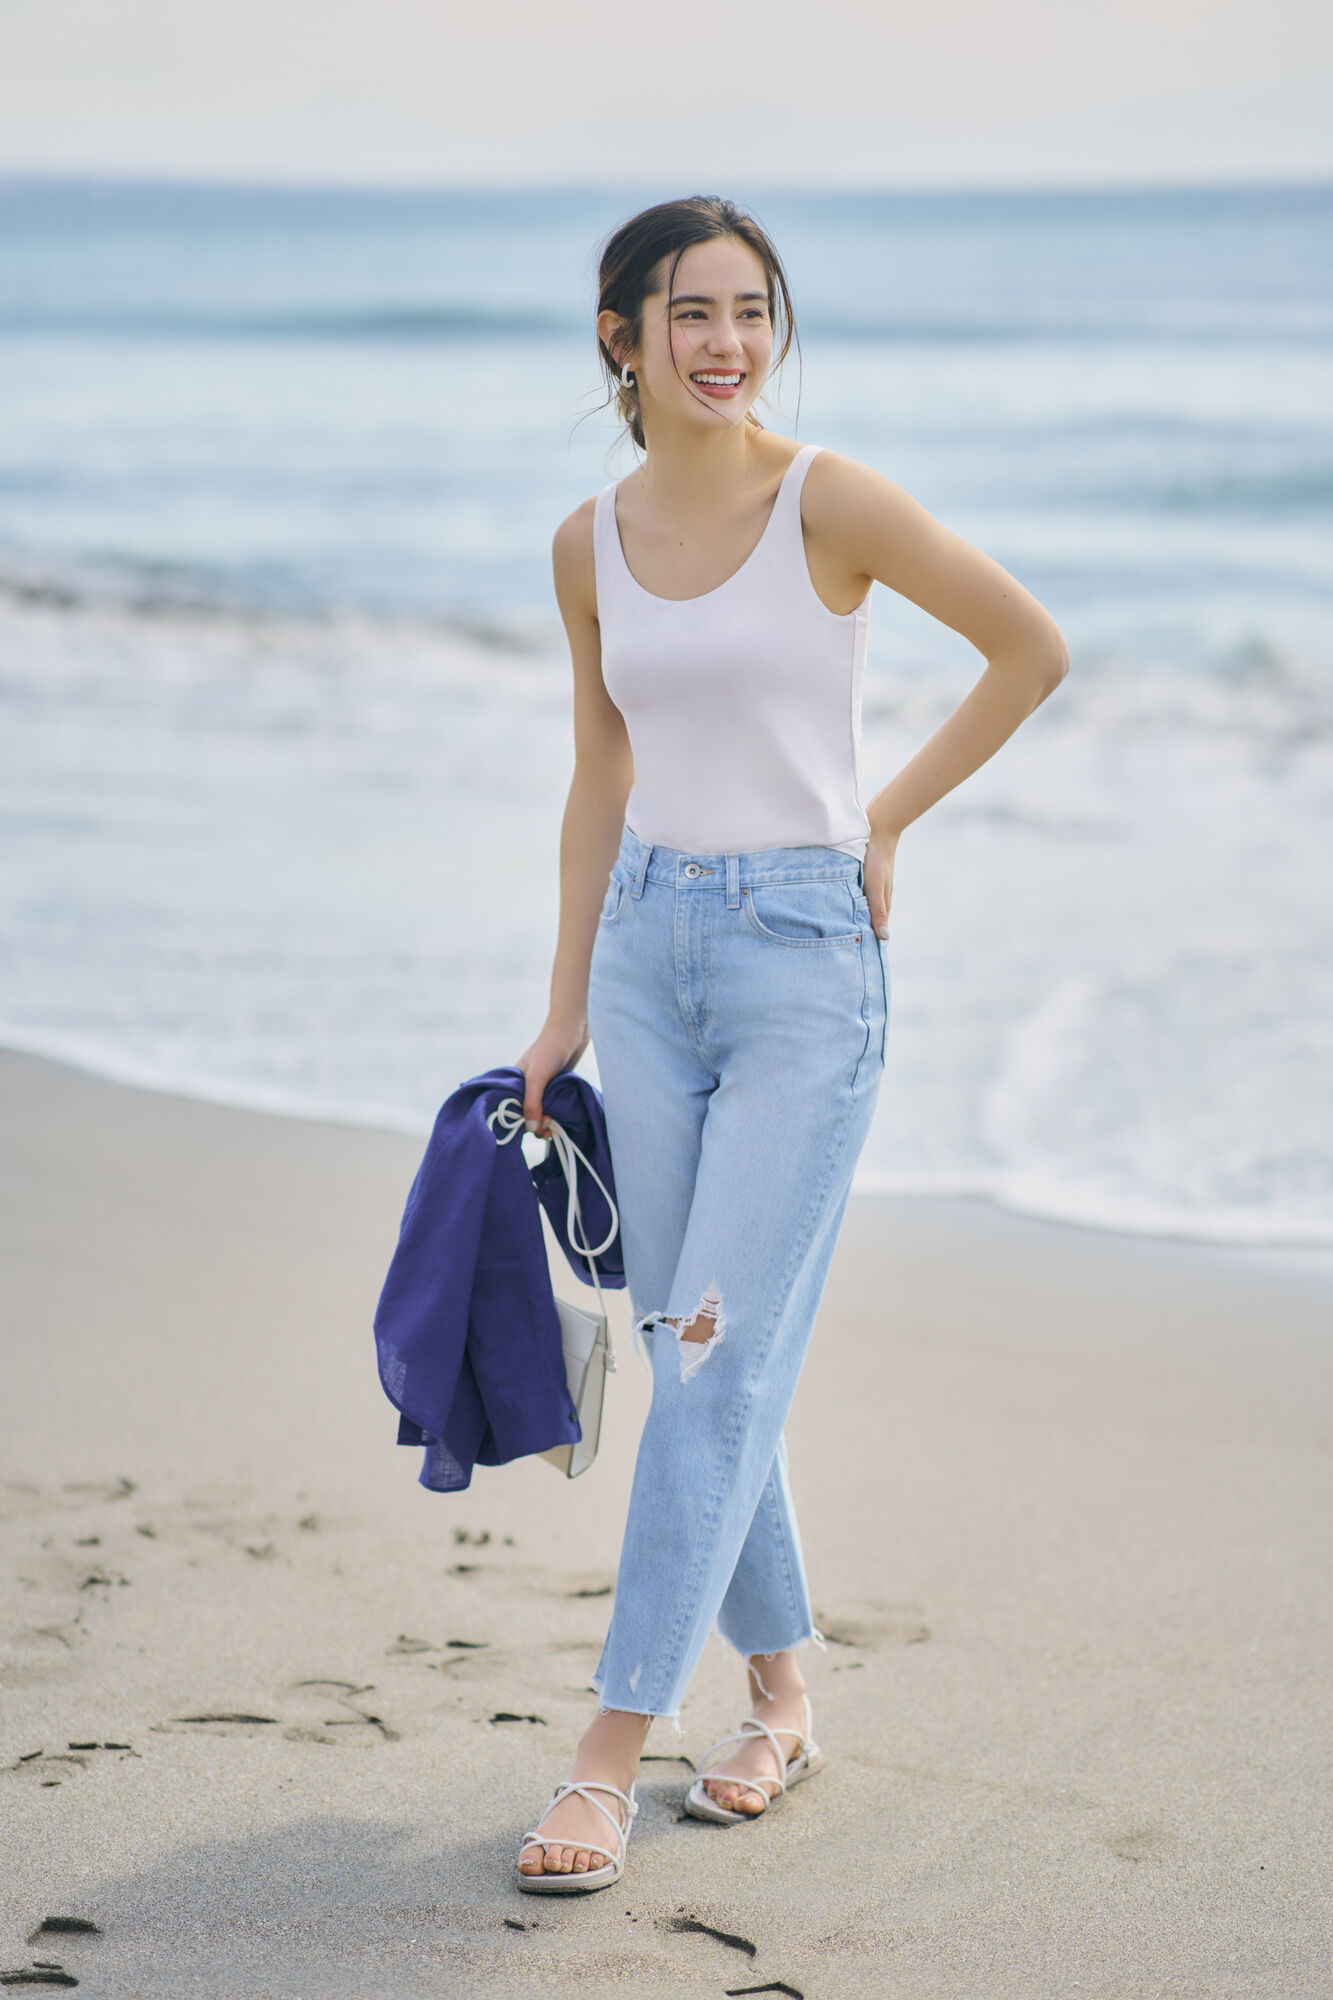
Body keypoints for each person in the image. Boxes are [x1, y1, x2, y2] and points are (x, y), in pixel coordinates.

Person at [513, 195, 1069, 1891]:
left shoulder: (824, 498)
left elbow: (1027, 648)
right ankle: (777, 1697)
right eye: (689, 314)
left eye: (751, 312)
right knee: (699, 1348)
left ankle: (608, 1750)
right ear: (621, 337)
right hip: (647, 961)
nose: (726, 345)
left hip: (801, 965)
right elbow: (600, 773)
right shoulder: (584, 541)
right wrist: (559, 1005)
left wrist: (879, 822)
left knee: (708, 1347)